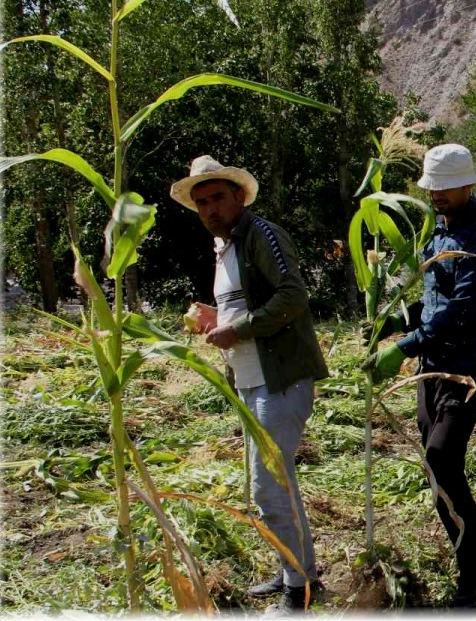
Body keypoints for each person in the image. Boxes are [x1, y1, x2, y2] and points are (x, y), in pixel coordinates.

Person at [171, 155, 328, 613]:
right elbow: (249, 309)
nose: (210, 210)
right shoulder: (226, 248)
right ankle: (296, 573)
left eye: (218, 198)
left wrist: (236, 330)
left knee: (267, 488)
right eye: (201, 203)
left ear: (239, 196)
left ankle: (296, 590)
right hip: (251, 379)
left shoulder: (261, 235)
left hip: (279, 379)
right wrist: (218, 319)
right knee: (279, 484)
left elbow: (293, 296)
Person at [361, 144, 476, 607]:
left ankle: (473, 576)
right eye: (433, 188)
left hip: (469, 366)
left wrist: (399, 351)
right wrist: (391, 321)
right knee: (437, 466)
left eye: (446, 188)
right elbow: (431, 303)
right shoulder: (437, 235)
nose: (438, 196)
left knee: (442, 458)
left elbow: (460, 311)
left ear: (467, 185)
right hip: (432, 369)